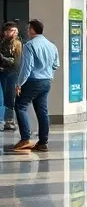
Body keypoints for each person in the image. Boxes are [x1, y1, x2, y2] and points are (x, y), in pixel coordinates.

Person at [12, 19, 60, 154]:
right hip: (46, 81)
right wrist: (49, 76)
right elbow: (56, 65)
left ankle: (25, 139)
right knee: (42, 111)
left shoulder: (29, 45)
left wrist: (19, 83)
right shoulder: (51, 45)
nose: (27, 31)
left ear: (33, 30)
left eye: (28, 28)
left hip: (33, 81)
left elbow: (27, 68)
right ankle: (43, 142)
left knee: (20, 106)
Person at [0, 23, 22, 131]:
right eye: (12, 30)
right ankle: (4, 120)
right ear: (6, 32)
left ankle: (10, 120)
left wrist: (3, 58)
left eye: (15, 30)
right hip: (3, 72)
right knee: (3, 97)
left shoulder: (17, 44)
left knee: (10, 96)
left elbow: (16, 62)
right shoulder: (2, 43)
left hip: (12, 73)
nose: (15, 33)